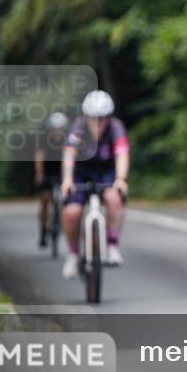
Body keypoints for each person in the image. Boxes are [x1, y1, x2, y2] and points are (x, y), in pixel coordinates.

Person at [60, 90, 130, 279]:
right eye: (94, 118)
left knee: (114, 198)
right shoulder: (78, 128)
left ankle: (113, 245)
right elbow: (69, 155)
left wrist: (121, 179)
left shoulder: (116, 128)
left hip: (105, 173)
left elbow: (122, 154)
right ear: (86, 116)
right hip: (80, 174)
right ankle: (73, 254)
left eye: (103, 118)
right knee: (72, 211)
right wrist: (67, 180)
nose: (98, 123)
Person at [35, 112, 68, 248]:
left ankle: (61, 223)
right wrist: (39, 174)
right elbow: (39, 157)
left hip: (62, 173)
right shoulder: (45, 140)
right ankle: (43, 230)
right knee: (45, 200)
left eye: (60, 129)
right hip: (48, 172)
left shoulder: (68, 140)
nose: (57, 132)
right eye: (55, 129)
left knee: (64, 201)